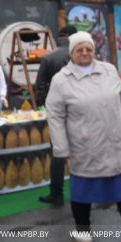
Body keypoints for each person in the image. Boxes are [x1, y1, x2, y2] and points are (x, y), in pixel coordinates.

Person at [46, 31, 121, 242]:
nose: (85, 53)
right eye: (79, 49)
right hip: (85, 145)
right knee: (83, 189)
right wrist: (61, 148)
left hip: (116, 142)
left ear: (94, 50)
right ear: (72, 53)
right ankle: (83, 230)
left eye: (89, 49)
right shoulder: (61, 80)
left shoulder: (109, 70)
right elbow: (55, 115)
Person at [34, 25, 77, 206]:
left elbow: (40, 84)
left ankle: (57, 194)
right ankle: (88, 189)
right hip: (81, 108)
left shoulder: (48, 57)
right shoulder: (81, 55)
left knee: (58, 151)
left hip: (57, 111)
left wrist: (46, 102)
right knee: (85, 148)